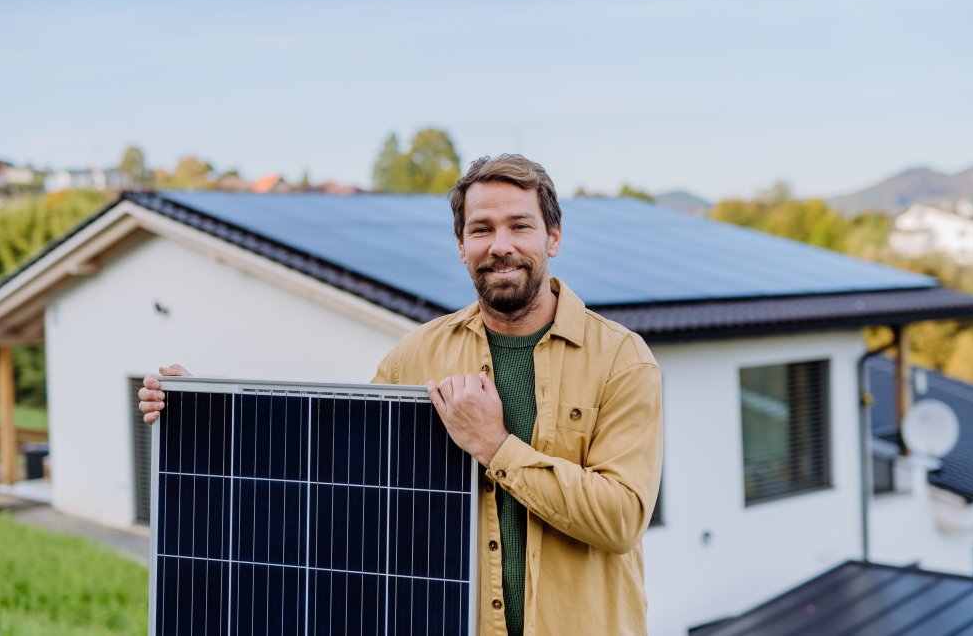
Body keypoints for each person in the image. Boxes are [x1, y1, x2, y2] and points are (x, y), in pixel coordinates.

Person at [139, 154, 663, 636]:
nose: (499, 244)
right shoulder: (415, 356)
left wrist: (495, 446)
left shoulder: (622, 359)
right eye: (481, 229)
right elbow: (332, 474)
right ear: (462, 247)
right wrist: (203, 410)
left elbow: (620, 519)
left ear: (553, 236)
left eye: (519, 226)